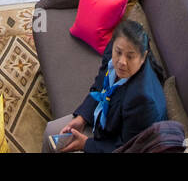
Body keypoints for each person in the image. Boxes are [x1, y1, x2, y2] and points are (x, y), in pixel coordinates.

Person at [42, 19, 166, 153]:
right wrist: (82, 118)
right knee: (51, 131)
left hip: (116, 143)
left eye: (130, 57)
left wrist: (85, 144)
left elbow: (127, 148)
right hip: (103, 122)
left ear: (143, 57)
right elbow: (101, 83)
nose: (122, 62)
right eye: (118, 52)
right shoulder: (112, 53)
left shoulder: (142, 100)